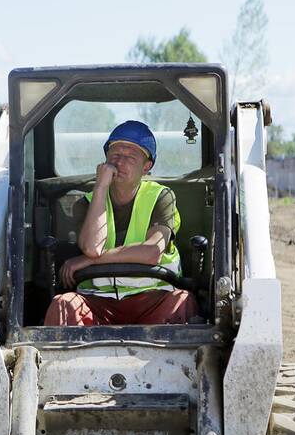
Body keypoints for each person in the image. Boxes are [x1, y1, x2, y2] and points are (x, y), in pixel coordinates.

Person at [44, 120, 199, 326]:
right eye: (115, 155)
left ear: (147, 167)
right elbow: (92, 248)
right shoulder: (86, 202)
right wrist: (100, 187)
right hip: (98, 301)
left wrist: (90, 261)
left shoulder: (161, 197)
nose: (119, 162)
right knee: (63, 304)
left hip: (152, 300)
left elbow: (152, 252)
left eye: (130, 157)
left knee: (182, 301)